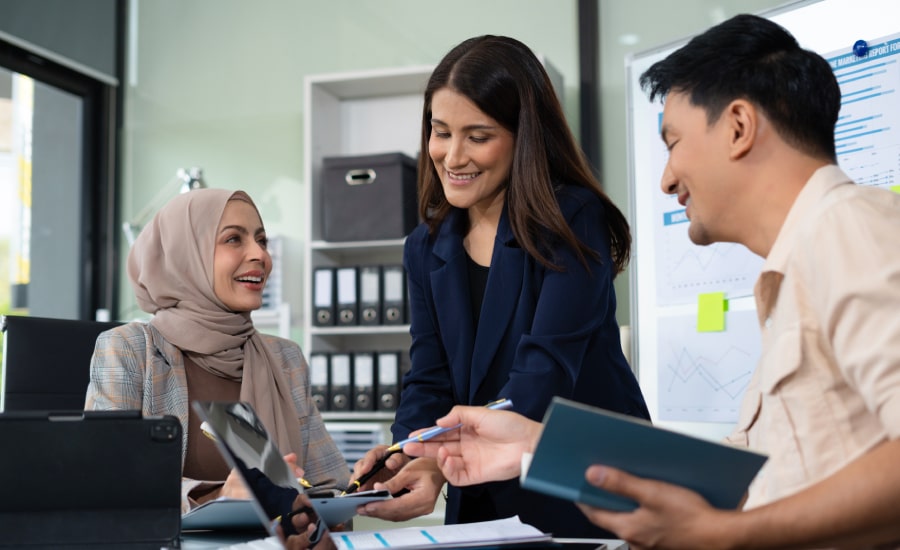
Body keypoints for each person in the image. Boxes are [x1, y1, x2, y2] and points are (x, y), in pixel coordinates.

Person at [404, 13, 900, 549]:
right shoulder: (799, 270)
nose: (665, 178)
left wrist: (729, 535)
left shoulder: (851, 228)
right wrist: (533, 443)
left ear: (738, 127)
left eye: (674, 142)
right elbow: (749, 483)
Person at [352, 34, 649, 538]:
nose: (452, 156)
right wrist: (413, 458)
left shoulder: (573, 220)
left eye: (478, 135)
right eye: (440, 131)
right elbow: (429, 377)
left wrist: (435, 452)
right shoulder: (425, 247)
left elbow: (541, 375)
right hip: (479, 500)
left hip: (580, 491)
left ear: (523, 136)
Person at [85, 188, 350, 515]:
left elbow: (328, 485)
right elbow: (109, 478)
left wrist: (368, 484)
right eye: (234, 240)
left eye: (261, 240)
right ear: (186, 256)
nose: (260, 255)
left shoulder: (285, 358)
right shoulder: (130, 350)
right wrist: (214, 496)